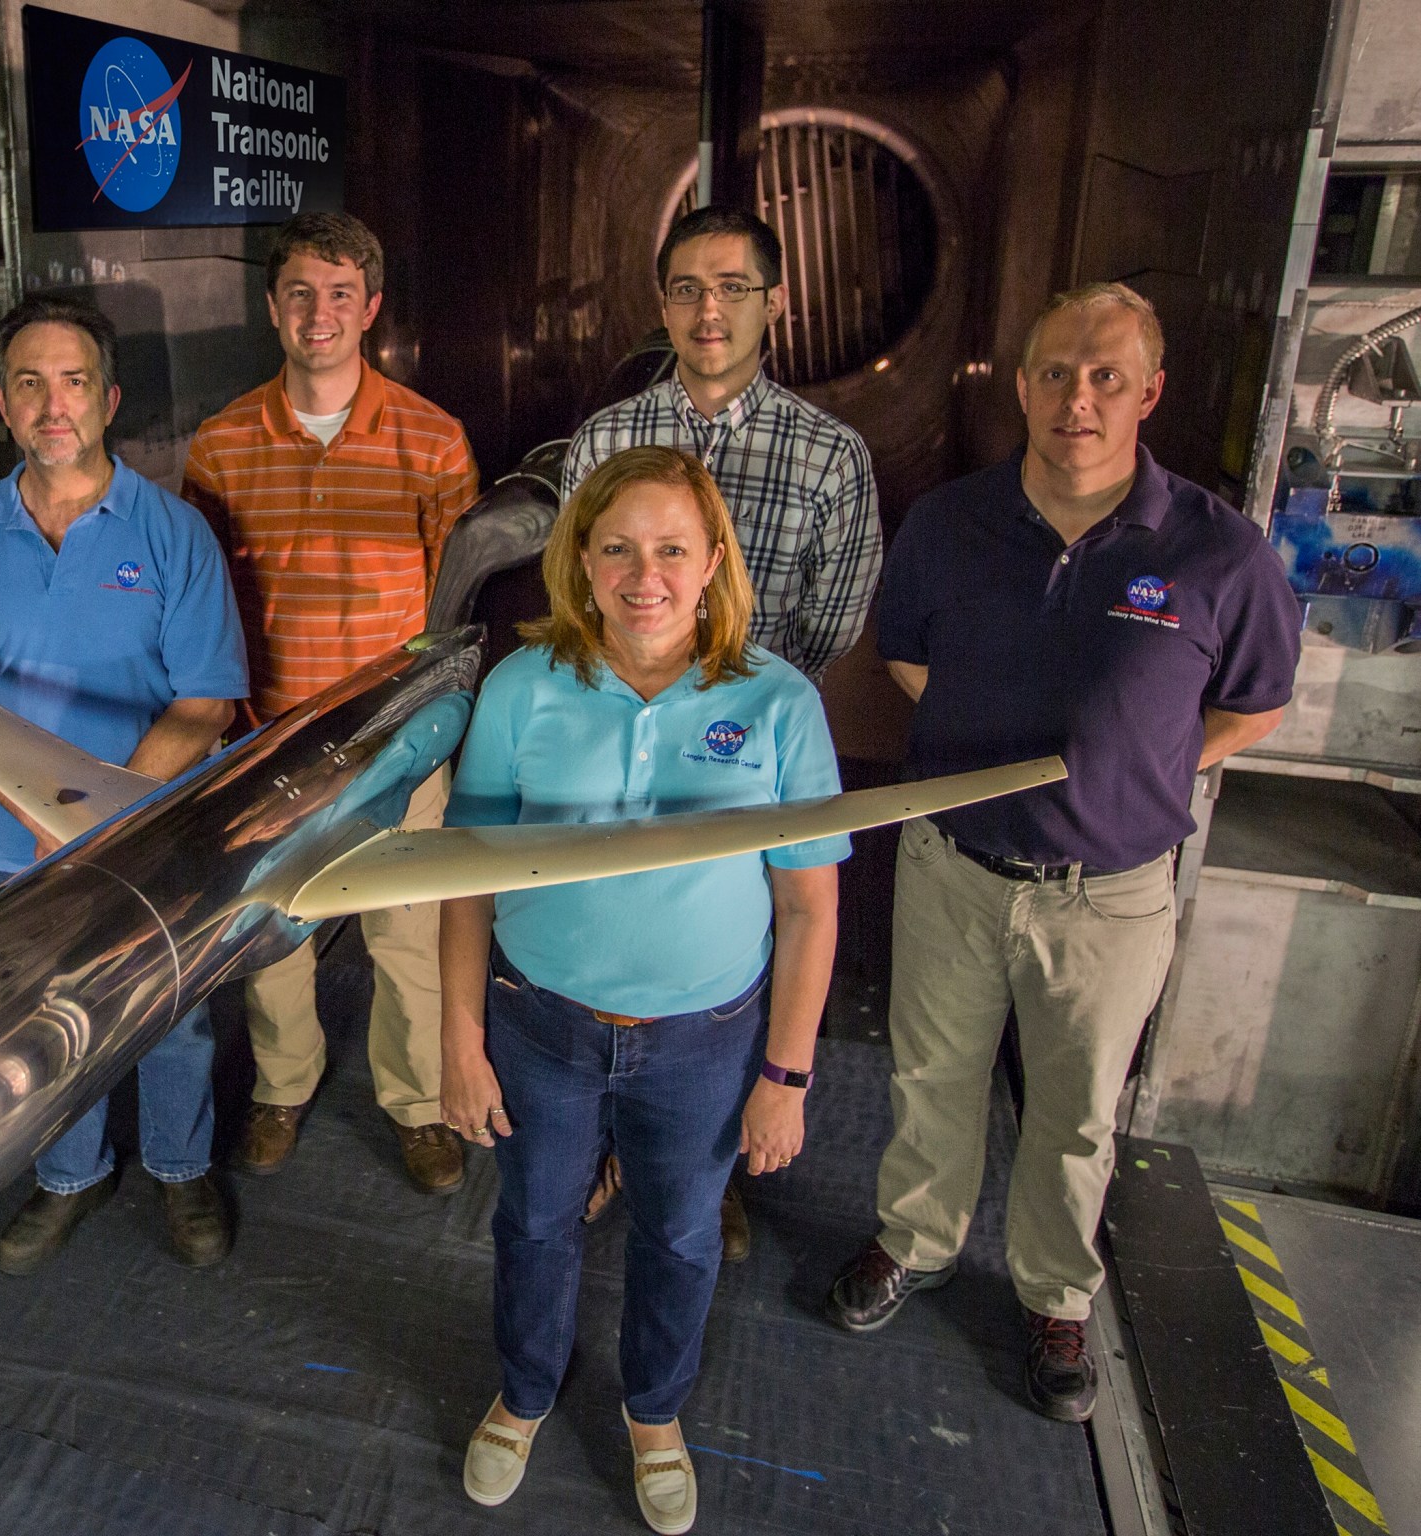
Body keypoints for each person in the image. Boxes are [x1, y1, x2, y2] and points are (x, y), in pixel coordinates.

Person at [826, 283, 1300, 1422]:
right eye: (1052, 373)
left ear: (1148, 391)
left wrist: (1140, 767)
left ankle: (1053, 1295)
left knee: (1077, 1109)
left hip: (1110, 896)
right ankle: (916, 1239)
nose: (1074, 398)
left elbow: (1256, 703)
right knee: (928, 1076)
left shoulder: (1217, 553)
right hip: (951, 867)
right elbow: (906, 661)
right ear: (1020, 385)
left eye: (1101, 376)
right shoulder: (949, 522)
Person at [439, 445, 847, 1534]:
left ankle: (653, 1416)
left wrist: (785, 1074)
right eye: (614, 547)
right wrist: (460, 1040)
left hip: (704, 1040)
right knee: (532, 1221)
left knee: (678, 1236)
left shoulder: (776, 701)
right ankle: (524, 1394)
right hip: (540, 1025)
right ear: (578, 558)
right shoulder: (523, 685)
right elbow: (464, 883)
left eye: (670, 548)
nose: (643, 574)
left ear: (713, 560)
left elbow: (808, 910)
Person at [562, 204, 881, 1260]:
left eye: (732, 288)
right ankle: (608, 1145)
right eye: (688, 289)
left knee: (731, 963)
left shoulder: (829, 457)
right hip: (604, 751)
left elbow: (830, 626)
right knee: (609, 960)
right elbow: (575, 588)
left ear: (773, 303)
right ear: (661, 305)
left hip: (746, 762)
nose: (709, 310)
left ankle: (705, 1166)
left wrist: (739, 714)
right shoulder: (605, 439)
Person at [0, 294, 247, 1274]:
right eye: (29, 384)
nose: (51, 405)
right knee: (43, 1019)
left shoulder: (173, 535)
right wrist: (41, 816)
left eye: (71, 383)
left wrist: (102, 813)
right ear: (1, 403)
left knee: (168, 1013)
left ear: (106, 400)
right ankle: (69, 1173)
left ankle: (179, 1165)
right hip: (20, 846)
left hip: (149, 835)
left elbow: (204, 703)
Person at [182, 211, 479, 1195]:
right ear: (272, 308)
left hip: (394, 742)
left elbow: (452, 608)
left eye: (340, 294)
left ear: (372, 310)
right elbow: (204, 603)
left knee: (409, 941)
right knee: (274, 935)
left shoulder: (433, 441)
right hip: (269, 746)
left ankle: (418, 1106)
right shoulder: (220, 444)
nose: (319, 314)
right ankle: (280, 1086)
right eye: (300, 293)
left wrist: (431, 731)